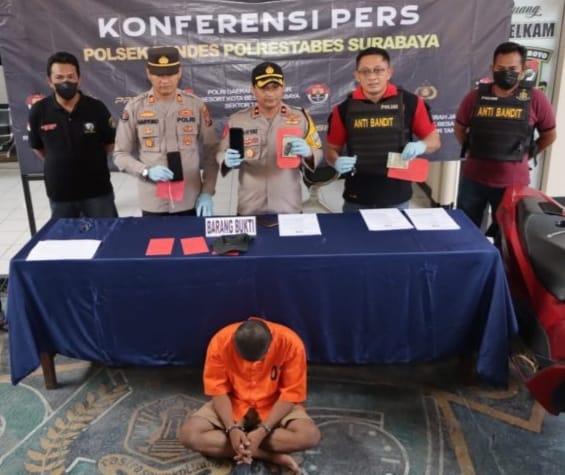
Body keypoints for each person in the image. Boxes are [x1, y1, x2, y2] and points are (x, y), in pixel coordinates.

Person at [179, 317, 320, 474]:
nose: (252, 365)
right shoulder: (220, 341)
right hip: (233, 402)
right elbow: (218, 391)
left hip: (274, 404)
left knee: (309, 436)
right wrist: (231, 428)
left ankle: (239, 444)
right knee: (188, 435)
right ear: (234, 343)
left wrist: (263, 430)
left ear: (270, 346)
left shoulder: (291, 343)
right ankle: (269, 456)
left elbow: (291, 393)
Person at [455, 41, 557, 239]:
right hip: (473, 178)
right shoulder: (474, 97)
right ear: (492, 68)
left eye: (512, 69)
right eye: (501, 68)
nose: (506, 73)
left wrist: (526, 154)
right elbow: (459, 128)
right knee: (466, 234)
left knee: (507, 239)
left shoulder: (536, 99)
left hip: (513, 183)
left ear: (523, 70)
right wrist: (473, 150)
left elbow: (549, 135)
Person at [326, 47, 441, 211]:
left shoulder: (411, 102)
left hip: (397, 196)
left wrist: (421, 146)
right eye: (365, 71)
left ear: (389, 72)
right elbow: (331, 149)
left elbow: (434, 141)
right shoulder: (343, 109)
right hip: (357, 195)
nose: (372, 77)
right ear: (357, 75)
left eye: (378, 70)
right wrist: (335, 161)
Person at [114, 46, 218, 216]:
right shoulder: (135, 107)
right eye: (159, 75)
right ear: (148, 73)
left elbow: (212, 151)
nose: (165, 80)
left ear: (179, 73)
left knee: (191, 235)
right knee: (156, 235)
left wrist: (207, 192)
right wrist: (145, 171)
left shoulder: (195, 105)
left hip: (190, 198)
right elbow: (120, 154)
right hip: (153, 200)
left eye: (170, 74)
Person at [218, 61, 323, 215]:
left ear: (283, 87)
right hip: (250, 206)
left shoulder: (301, 117)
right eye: (264, 88)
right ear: (253, 89)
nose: (270, 93)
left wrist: (309, 153)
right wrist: (225, 160)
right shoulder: (237, 120)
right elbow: (221, 152)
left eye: (275, 87)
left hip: (288, 205)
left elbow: (318, 150)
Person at [28, 51, 118, 218]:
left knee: (107, 232)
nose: (65, 81)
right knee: (66, 235)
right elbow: (38, 147)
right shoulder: (39, 110)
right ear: (50, 81)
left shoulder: (96, 107)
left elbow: (110, 143)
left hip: (97, 190)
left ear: (79, 79)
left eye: (70, 76)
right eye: (59, 77)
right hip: (60, 192)